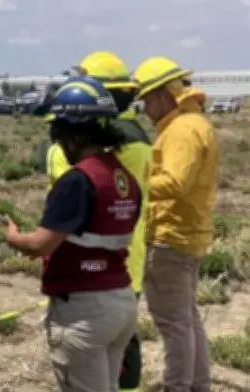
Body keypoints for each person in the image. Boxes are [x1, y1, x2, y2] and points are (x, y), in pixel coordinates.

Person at [1, 76, 139, 392]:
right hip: (121, 300)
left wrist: (13, 237)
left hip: (84, 309)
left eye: (58, 134)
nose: (59, 144)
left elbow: (40, 244)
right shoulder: (123, 177)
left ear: (73, 133)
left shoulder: (78, 180)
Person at [44, 51, 152, 392]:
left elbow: (63, 216)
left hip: (87, 269)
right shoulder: (138, 140)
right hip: (126, 259)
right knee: (122, 348)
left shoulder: (79, 157)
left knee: (92, 354)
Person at [133, 56, 217, 392]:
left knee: (174, 324)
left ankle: (177, 386)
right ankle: (198, 385)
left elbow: (175, 183)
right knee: (187, 320)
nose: (144, 109)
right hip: (187, 234)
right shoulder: (192, 123)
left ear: (162, 95)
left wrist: (132, 182)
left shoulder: (182, 131)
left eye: (146, 100)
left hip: (171, 237)